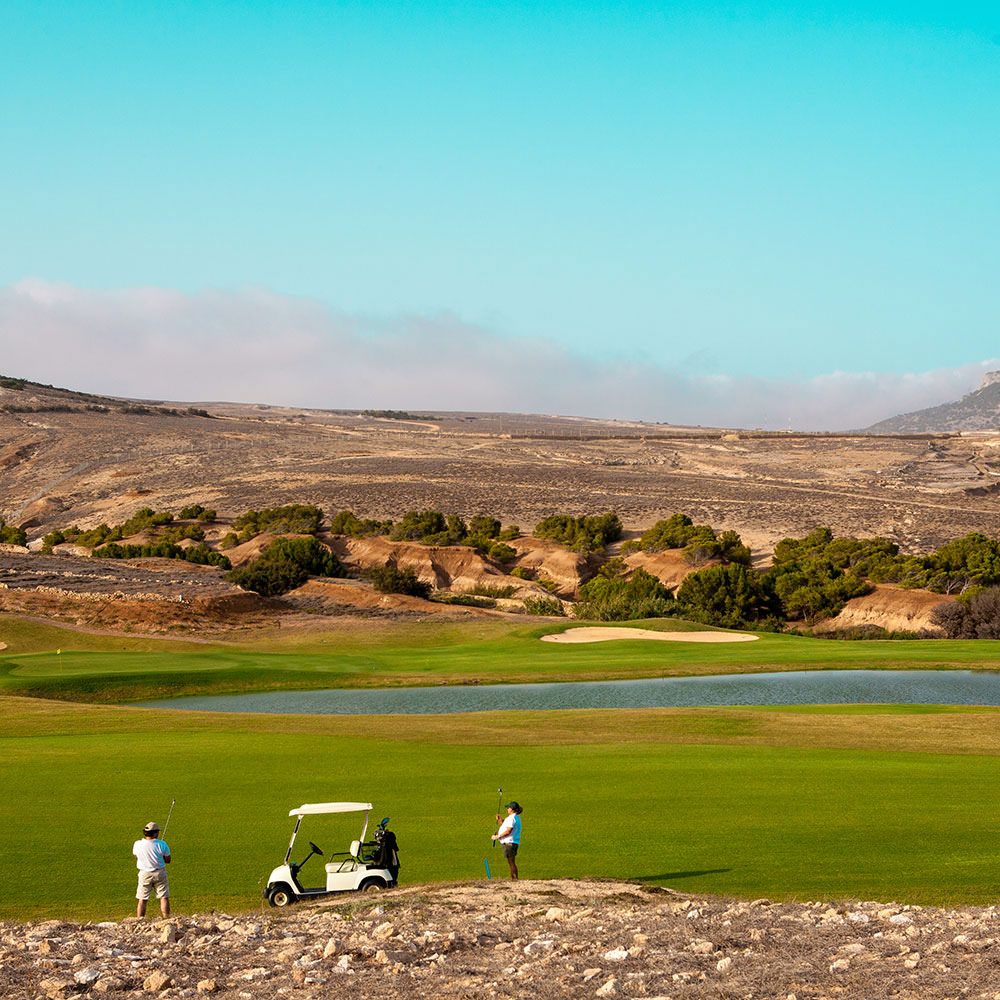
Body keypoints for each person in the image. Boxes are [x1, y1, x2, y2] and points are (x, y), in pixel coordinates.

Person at [133, 821, 171, 918]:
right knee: (164, 897)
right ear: (154, 833)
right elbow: (168, 860)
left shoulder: (137, 844)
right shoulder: (162, 844)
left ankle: (140, 920)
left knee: (142, 899)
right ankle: (166, 919)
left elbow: (136, 856)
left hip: (144, 874)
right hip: (160, 873)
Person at [491, 801, 523, 880]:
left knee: (511, 862)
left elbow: (508, 831)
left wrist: (497, 836)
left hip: (509, 843)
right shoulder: (515, 817)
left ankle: (514, 879)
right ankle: (514, 878)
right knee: (511, 862)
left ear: (512, 809)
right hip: (512, 842)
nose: (507, 809)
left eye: (508, 808)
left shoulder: (512, 818)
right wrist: (500, 820)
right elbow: (505, 825)